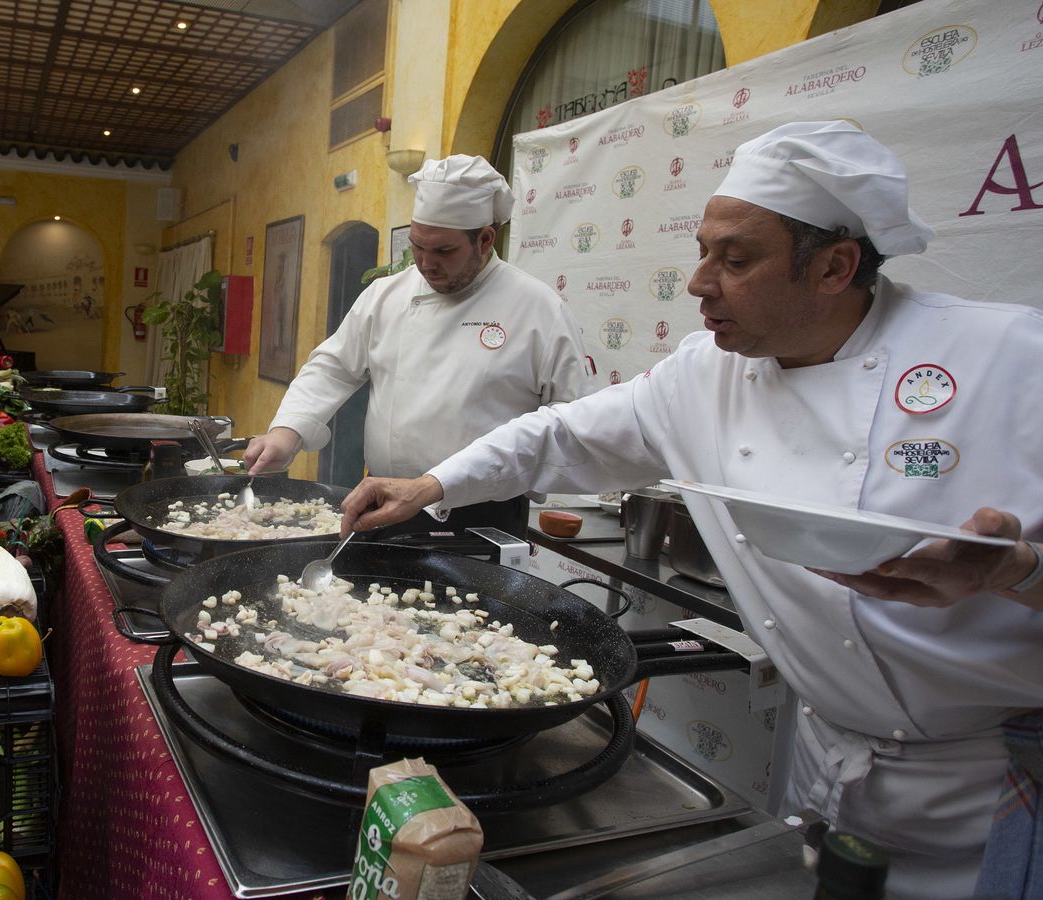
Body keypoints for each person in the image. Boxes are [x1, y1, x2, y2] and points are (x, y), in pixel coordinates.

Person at [338, 121, 1043, 899]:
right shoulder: (705, 374)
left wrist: (1021, 574)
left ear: (836, 267)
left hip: (993, 785)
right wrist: (431, 485)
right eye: (703, 250)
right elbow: (561, 434)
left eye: (735, 259)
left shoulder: (1011, 362)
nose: (700, 281)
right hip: (824, 759)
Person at [244, 155, 592, 535]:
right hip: (379, 501)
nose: (426, 264)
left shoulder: (538, 309)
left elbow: (569, 416)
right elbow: (333, 367)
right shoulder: (386, 295)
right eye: (418, 247)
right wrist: (286, 431)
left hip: (481, 516)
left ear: (485, 239)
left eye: (444, 251)